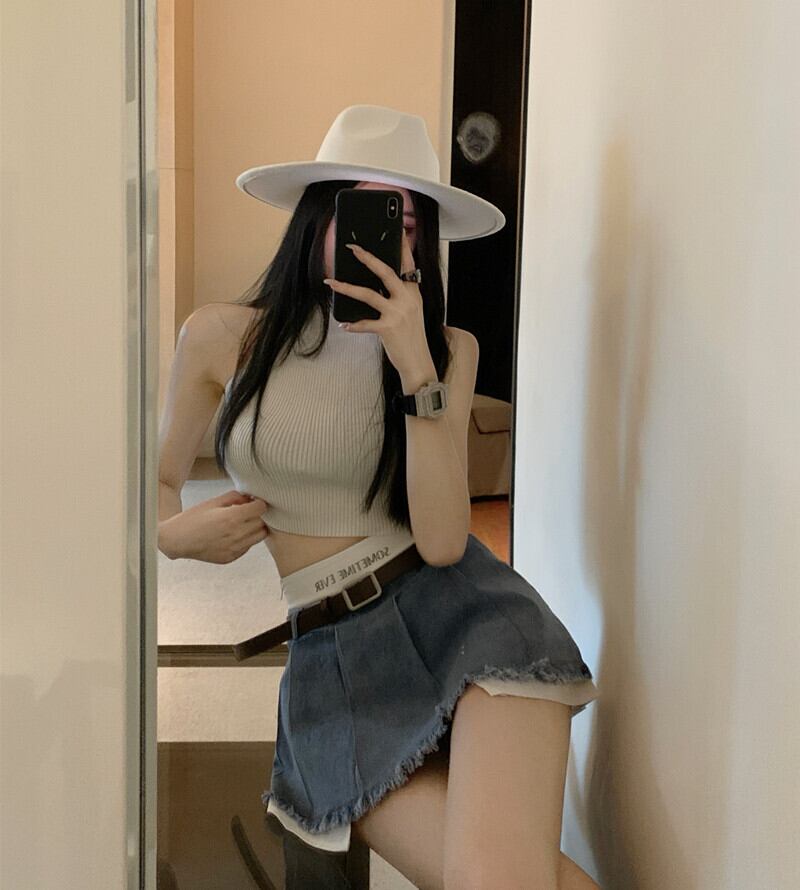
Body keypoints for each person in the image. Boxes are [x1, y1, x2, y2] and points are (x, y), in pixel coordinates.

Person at [158, 105, 600, 890]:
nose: (381, 240)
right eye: (361, 211)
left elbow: (442, 541)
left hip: (465, 618)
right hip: (333, 658)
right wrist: (171, 536)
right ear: (316, 218)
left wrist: (416, 371)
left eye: (405, 224)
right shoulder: (221, 337)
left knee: (494, 877)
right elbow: (157, 484)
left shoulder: (446, 350)